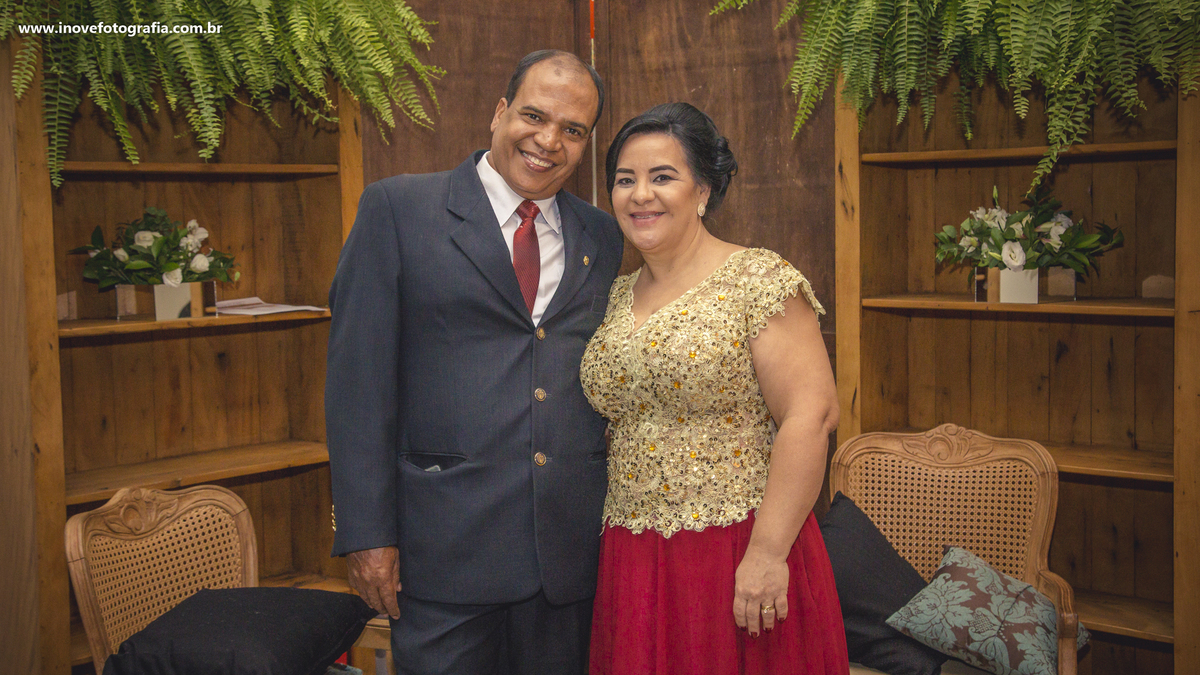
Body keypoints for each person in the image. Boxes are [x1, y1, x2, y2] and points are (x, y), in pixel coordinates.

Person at [324, 50, 624, 675]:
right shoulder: (398, 209)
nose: (549, 141)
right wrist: (367, 535)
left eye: (573, 130)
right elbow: (358, 388)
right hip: (443, 555)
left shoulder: (602, 234)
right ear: (499, 112)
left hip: (567, 560)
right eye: (534, 116)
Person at [581, 102, 849, 674]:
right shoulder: (614, 294)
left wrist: (767, 553)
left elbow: (812, 415)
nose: (640, 195)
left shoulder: (758, 279)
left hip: (739, 546)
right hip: (633, 553)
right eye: (624, 180)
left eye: (662, 177)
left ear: (703, 190)